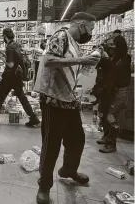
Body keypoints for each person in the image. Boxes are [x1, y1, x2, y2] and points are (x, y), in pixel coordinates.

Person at [33, 12, 101, 204]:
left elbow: (69, 69)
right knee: (51, 145)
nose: (90, 33)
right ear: (81, 25)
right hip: (52, 101)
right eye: (90, 29)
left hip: (69, 101)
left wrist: (86, 62)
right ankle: (44, 187)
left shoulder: (73, 43)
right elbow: (50, 61)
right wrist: (82, 60)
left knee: (77, 139)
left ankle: (68, 169)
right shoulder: (61, 36)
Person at [0, 28, 40, 127]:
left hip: (9, 77)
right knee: (22, 98)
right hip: (18, 76)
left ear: (5, 37)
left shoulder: (9, 47)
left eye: (3, 37)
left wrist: (1, 58)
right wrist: (4, 55)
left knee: (0, 97)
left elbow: (10, 64)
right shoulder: (16, 45)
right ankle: (33, 118)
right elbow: (16, 59)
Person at [98, 35, 131, 153]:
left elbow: (117, 73)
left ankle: (112, 144)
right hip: (110, 91)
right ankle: (107, 137)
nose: (109, 46)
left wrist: (106, 59)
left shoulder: (124, 58)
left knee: (111, 117)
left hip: (119, 92)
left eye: (112, 44)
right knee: (103, 114)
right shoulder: (112, 57)